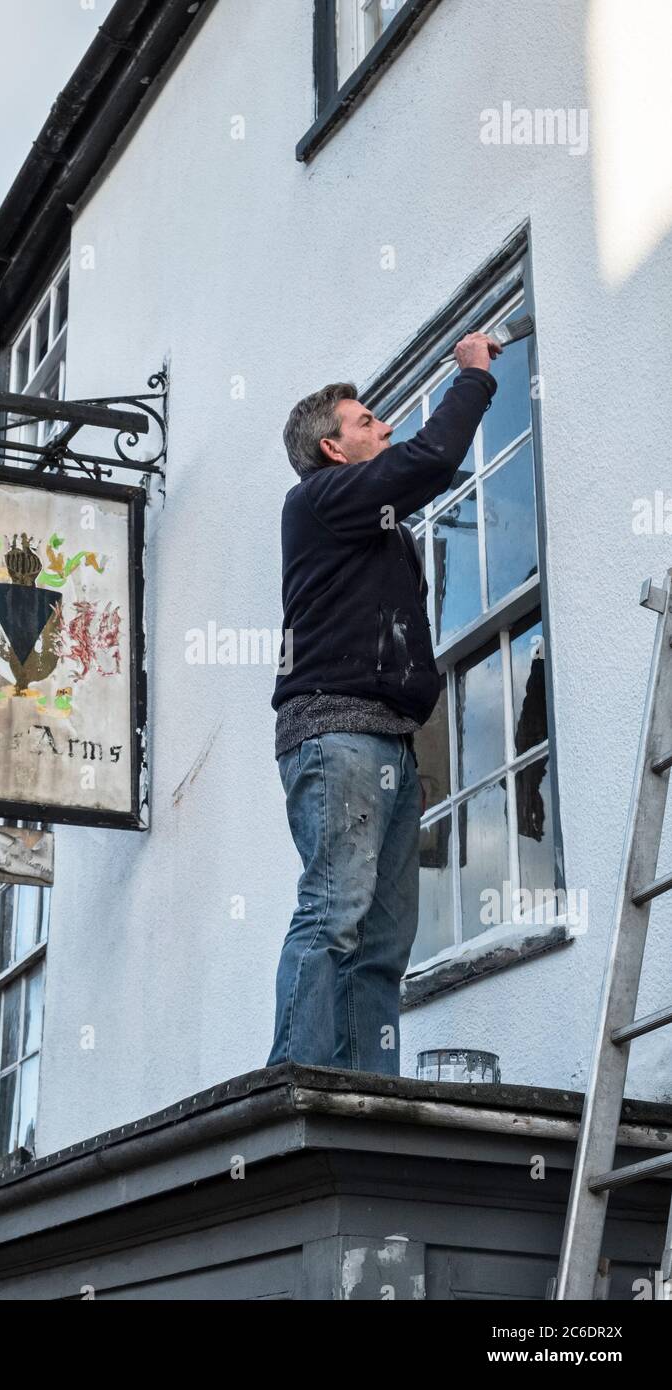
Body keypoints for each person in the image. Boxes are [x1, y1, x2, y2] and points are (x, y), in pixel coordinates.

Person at [267, 332, 502, 1075]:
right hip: (336, 732)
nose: (386, 428)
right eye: (368, 422)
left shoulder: (376, 531)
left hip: (390, 743)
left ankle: (367, 1091)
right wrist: (474, 379)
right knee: (335, 913)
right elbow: (430, 458)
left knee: (385, 941)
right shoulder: (318, 501)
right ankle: (297, 1082)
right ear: (334, 451)